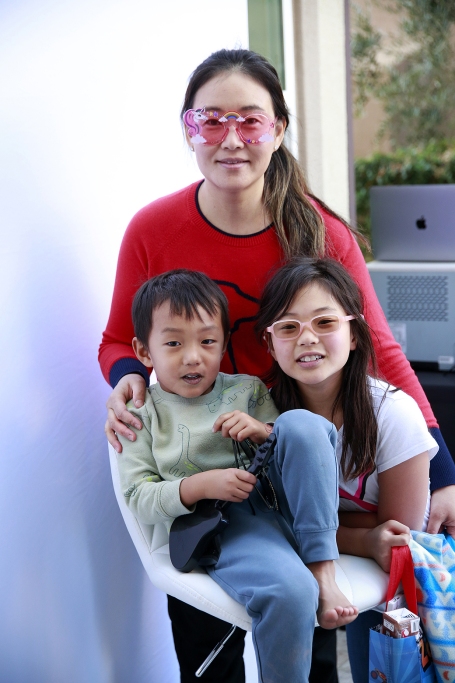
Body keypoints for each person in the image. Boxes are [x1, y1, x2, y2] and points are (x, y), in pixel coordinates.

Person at [99, 48, 455, 683]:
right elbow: (115, 341)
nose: (231, 138)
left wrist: (444, 470)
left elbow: (379, 347)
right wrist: (128, 376)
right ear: (188, 129)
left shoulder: (318, 229)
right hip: (198, 460)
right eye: (211, 120)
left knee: (305, 633)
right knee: (207, 646)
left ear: (279, 129)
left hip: (291, 454)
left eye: (250, 120)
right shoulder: (152, 229)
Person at [116, 268, 358, 683]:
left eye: (207, 341)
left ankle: (323, 566)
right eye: (173, 343)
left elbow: (296, 450)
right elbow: (138, 497)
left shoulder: (246, 390)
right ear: (143, 350)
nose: (193, 356)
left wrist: (263, 430)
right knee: (291, 592)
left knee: (300, 423)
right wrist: (200, 486)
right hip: (225, 529)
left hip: (288, 508)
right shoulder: (141, 415)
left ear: (224, 343)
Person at [255, 257, 439, 683]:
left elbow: (397, 535)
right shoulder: (261, 416)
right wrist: (363, 536)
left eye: (325, 322)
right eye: (288, 327)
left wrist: (320, 528)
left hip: (393, 581)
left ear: (354, 334)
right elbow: (269, 521)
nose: (307, 338)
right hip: (317, 570)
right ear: (270, 343)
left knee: (377, 666)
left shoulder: (393, 414)